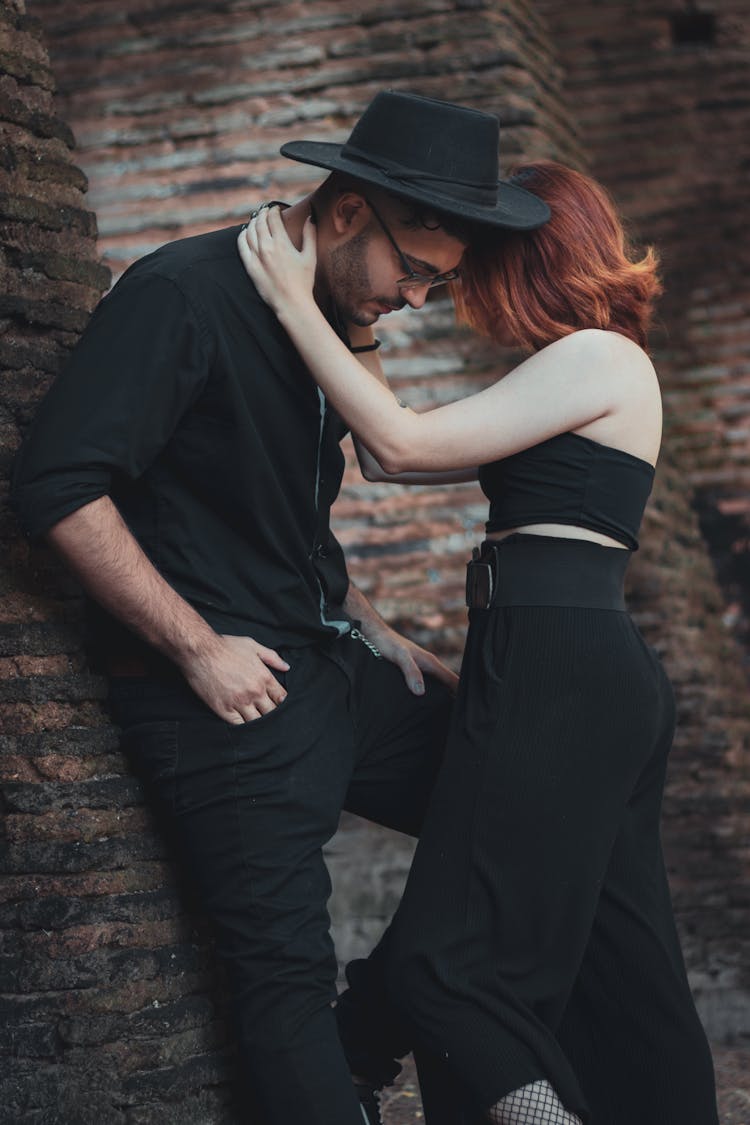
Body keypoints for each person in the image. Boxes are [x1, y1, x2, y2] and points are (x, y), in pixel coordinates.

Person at [10, 91, 551, 1125]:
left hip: (333, 668)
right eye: (419, 273)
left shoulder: (326, 319)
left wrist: (381, 629)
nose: (420, 300)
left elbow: (283, 522)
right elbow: (58, 489)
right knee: (284, 982)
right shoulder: (182, 294)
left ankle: (392, 1014)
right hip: (223, 703)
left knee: (526, 801)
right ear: (348, 213)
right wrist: (199, 648)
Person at [237, 161, 720, 1124]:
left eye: (473, 269)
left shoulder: (602, 357)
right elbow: (387, 452)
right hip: (546, 661)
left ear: (531, 258)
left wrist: (297, 303)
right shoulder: (571, 365)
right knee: (616, 955)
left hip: (563, 667)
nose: (455, 291)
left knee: (445, 966)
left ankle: (406, 1074)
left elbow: (406, 445)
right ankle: (357, 1057)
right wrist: (361, 323)